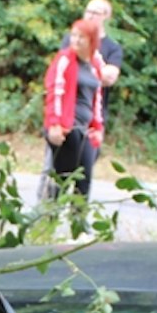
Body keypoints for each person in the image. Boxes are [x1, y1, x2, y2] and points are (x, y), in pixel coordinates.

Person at [41, 18, 107, 207]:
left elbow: (97, 99)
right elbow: (55, 90)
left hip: (85, 129)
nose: (76, 41)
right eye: (74, 36)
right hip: (65, 127)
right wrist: (54, 124)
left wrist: (98, 127)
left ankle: (78, 226)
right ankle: (47, 219)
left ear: (91, 41)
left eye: (82, 37)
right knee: (62, 176)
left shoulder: (94, 66)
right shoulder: (65, 59)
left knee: (84, 178)